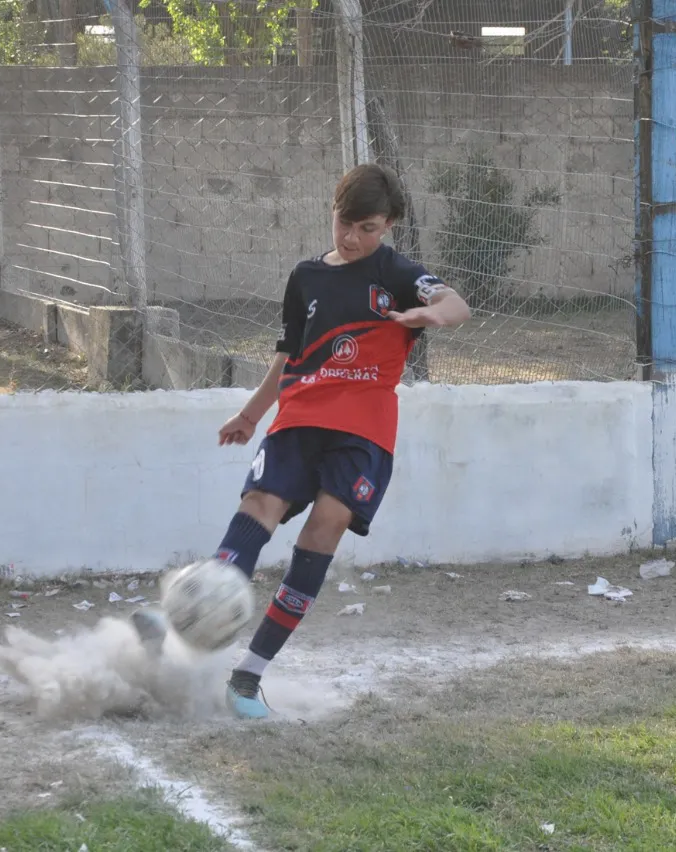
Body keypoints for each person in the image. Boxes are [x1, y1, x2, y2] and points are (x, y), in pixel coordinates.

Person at [134, 163, 471, 719]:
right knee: (259, 506)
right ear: (332, 210)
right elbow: (288, 358)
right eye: (345, 222)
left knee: (325, 527)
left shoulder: (397, 272)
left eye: (367, 227)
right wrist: (249, 414)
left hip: (363, 432)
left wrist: (429, 313)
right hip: (298, 419)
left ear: (387, 225)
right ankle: (175, 633)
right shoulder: (306, 277)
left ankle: (248, 678)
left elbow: (457, 305)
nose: (352, 237)